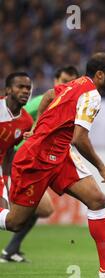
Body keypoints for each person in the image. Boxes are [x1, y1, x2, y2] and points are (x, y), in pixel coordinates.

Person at [0, 53, 105, 278]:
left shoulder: (75, 85)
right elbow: (80, 139)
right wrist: (102, 167)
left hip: (59, 155)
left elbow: (48, 95)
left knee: (97, 200)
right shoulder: (92, 95)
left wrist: (38, 127)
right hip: (36, 159)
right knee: (15, 222)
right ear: (100, 74)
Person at [0, 67, 79, 263]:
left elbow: (13, 142)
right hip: (26, 164)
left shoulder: (69, 105)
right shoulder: (41, 102)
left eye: (70, 82)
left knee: (38, 211)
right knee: (29, 212)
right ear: (55, 80)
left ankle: (11, 249)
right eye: (63, 80)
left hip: (31, 165)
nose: (25, 91)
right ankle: (11, 250)